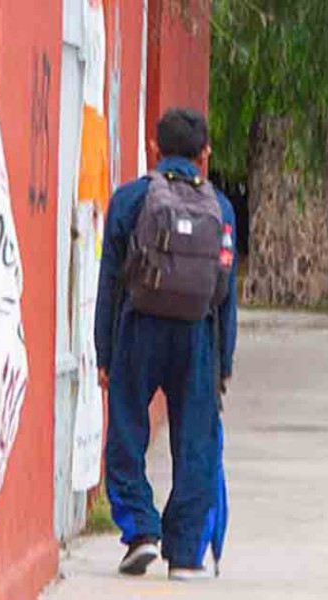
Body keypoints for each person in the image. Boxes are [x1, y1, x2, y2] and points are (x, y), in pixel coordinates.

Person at [94, 108, 237, 581]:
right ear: (205, 154)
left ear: (155, 150)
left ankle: (140, 531)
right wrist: (224, 362)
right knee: (196, 443)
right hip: (197, 334)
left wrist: (105, 351)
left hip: (140, 329)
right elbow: (226, 292)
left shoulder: (132, 199)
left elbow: (110, 281)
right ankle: (187, 553)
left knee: (127, 431)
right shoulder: (221, 207)